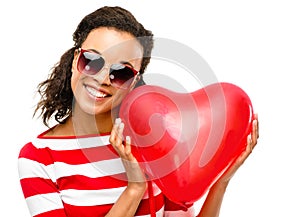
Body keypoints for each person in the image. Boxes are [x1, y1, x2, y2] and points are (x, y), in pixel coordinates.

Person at [18, 6, 259, 217]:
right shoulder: (39, 157)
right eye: (92, 60)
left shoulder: (156, 139)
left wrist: (221, 182)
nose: (102, 78)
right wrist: (135, 188)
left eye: (121, 72)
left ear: (133, 82)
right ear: (74, 60)